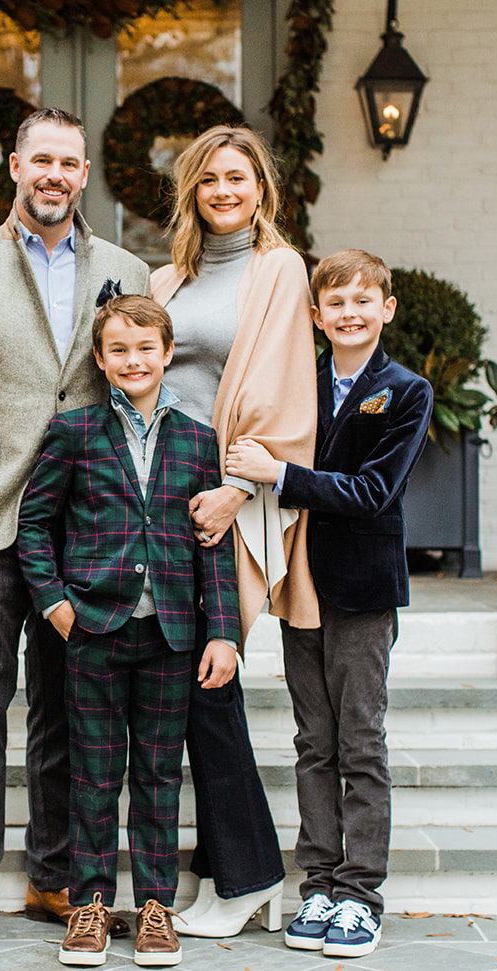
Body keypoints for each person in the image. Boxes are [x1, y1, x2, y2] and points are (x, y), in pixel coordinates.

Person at [0, 108, 150, 961]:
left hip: (84, 529)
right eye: (40, 159)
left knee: (66, 711)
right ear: (14, 165)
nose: (54, 174)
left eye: (70, 163)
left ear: (85, 174)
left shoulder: (126, 268)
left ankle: (52, 873)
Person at [17, 295, 240, 967]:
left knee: (157, 775)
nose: (133, 360)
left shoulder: (198, 441)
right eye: (119, 349)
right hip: (95, 629)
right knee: (91, 774)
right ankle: (88, 905)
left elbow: (213, 543)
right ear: (101, 360)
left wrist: (222, 631)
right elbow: (35, 525)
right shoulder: (75, 432)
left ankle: (154, 908)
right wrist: (56, 603)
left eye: (146, 348)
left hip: (171, 634)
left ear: (167, 354)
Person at [226, 249, 432, 958]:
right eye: (335, 302)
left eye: (362, 300)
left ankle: (361, 893)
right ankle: (318, 882)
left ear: (386, 308)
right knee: (313, 741)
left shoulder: (406, 391)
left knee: (359, 740)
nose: (349, 313)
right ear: (315, 315)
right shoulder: (303, 385)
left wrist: (281, 474)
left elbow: (375, 492)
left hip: (363, 589)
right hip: (301, 581)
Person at [148, 124, 316, 937]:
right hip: (161, 499)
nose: (223, 190)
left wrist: (236, 488)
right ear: (193, 190)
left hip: (226, 498)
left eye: (238, 178)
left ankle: (247, 874)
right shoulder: (166, 276)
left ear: (262, 190)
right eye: (209, 178)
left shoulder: (279, 269)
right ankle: (222, 870)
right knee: (194, 684)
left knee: (206, 681)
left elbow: (285, 390)